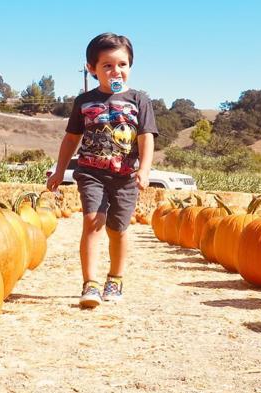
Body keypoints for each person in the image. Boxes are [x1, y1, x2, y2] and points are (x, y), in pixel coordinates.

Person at [47, 32, 158, 308]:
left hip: (125, 177)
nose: (115, 70)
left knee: (118, 230)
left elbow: (146, 137)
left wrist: (144, 170)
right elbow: (71, 139)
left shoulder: (139, 100)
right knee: (92, 223)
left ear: (130, 67)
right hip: (91, 172)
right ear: (92, 69)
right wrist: (60, 171)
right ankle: (90, 284)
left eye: (122, 64)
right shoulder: (84, 101)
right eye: (107, 65)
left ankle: (115, 279)